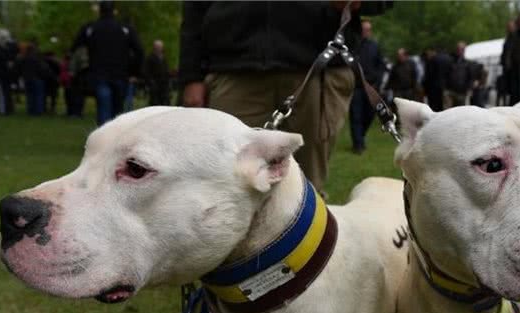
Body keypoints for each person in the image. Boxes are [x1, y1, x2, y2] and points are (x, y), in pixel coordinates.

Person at [180, 2, 392, 194]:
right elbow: (193, 8)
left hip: (318, 68)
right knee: (228, 188)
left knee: (305, 191)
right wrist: (191, 76)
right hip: (232, 69)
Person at [71, 1, 144, 125]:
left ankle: (104, 137)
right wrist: (135, 72)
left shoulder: (90, 28)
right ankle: (115, 138)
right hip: (120, 74)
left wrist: (81, 69)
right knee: (118, 109)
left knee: (104, 105)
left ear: (99, 11)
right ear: (114, 11)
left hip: (99, 74)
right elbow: (139, 52)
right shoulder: (125, 28)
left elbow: (75, 48)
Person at [348, 20, 385, 154]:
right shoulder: (352, 46)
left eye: (368, 29)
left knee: (369, 115)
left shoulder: (374, 46)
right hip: (356, 86)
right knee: (356, 115)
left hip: (371, 87)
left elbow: (381, 66)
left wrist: (378, 83)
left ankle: (360, 137)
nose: (366, 32)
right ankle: (358, 144)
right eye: (364, 29)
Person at [17, 43, 51, 116]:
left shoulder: (23, 58)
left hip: (27, 79)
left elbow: (19, 69)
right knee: (38, 95)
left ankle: (31, 110)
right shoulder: (37, 58)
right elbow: (43, 68)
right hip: (37, 78)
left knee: (30, 95)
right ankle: (38, 111)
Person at [0, 29, 17, 115]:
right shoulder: (6, 50)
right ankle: (8, 108)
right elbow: (10, 63)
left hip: (0, 75)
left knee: (1, 94)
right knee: (6, 93)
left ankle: (3, 110)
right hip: (5, 75)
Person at [445, 41, 472, 107]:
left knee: (460, 113)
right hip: (450, 92)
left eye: (462, 49)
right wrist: (445, 89)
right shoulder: (450, 60)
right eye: (459, 49)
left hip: (461, 93)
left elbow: (470, 77)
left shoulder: (467, 63)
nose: (460, 51)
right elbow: (444, 74)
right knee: (448, 112)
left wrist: (469, 88)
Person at [422, 47, 449, 111]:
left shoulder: (431, 61)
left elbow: (428, 76)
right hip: (445, 87)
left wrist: (425, 88)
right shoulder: (448, 58)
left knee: (434, 107)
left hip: (433, 89)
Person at [144, 40, 171, 106]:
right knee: (154, 101)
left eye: (160, 47)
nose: (159, 48)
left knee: (165, 100)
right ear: (154, 47)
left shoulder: (164, 57)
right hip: (155, 83)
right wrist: (150, 81)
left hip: (164, 83)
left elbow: (166, 69)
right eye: (157, 47)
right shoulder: (150, 58)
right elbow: (146, 71)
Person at [499, 20, 515, 106]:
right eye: (508, 26)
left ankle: (510, 105)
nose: (509, 28)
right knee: (505, 88)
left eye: (510, 26)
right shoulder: (507, 38)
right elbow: (505, 52)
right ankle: (505, 104)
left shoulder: (515, 38)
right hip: (506, 67)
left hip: (513, 68)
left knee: (512, 89)